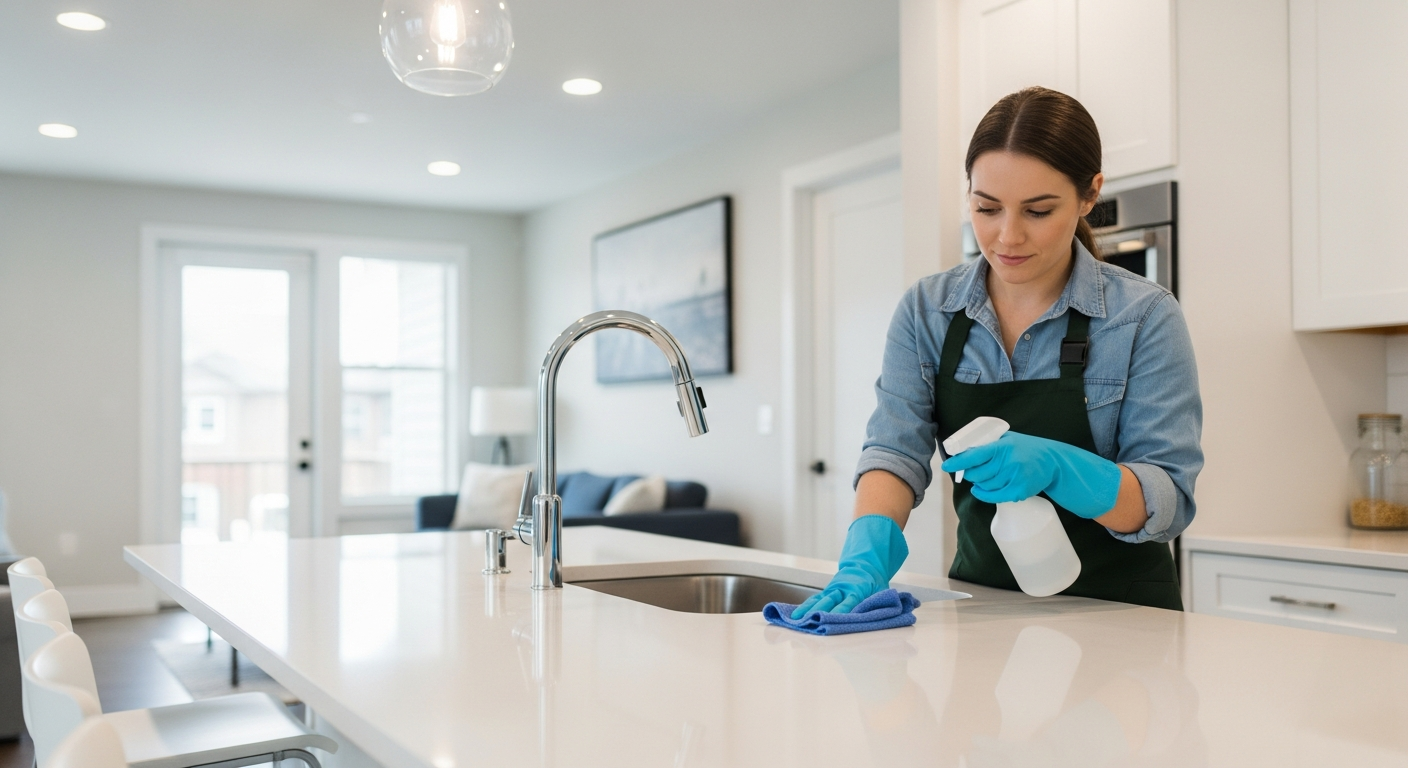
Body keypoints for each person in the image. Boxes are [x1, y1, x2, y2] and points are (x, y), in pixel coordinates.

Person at [795, 87, 1203, 615]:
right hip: (984, 608)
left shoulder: (1144, 316)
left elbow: (1168, 501)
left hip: (1124, 616)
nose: (1007, 236)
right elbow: (895, 452)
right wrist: (864, 556)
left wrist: (1062, 468)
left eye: (1038, 210)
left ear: (1088, 195)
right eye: (987, 208)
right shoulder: (928, 310)